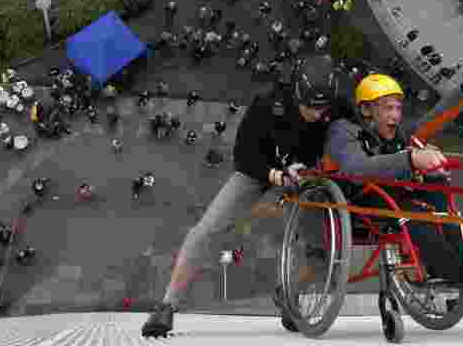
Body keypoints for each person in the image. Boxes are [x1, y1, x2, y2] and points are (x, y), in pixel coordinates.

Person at [142, 55, 350, 338]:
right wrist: (274, 175)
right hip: (258, 170)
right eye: (309, 108)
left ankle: (288, 293)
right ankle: (167, 305)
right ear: (297, 93)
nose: (316, 114)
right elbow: (243, 155)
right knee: (204, 231)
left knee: (321, 249)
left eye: (322, 109)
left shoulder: (337, 106)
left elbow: (353, 135)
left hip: (305, 175)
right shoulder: (267, 104)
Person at [323, 57, 463, 285]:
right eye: (388, 108)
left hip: (398, 195)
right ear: (366, 109)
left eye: (398, 108)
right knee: (414, 212)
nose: (395, 115)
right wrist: (410, 159)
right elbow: (356, 168)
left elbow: (436, 118)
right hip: (360, 200)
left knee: (437, 181)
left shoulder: (398, 132)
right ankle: (447, 269)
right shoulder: (344, 131)